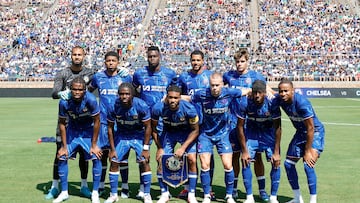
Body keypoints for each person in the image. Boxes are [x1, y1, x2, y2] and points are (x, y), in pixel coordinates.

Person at [185, 72, 249, 203]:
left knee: (227, 165)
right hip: (205, 135)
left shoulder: (229, 92)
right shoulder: (201, 94)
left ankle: (229, 195)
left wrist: (265, 90)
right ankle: (207, 195)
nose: (214, 88)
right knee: (205, 164)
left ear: (222, 85)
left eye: (217, 85)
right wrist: (172, 97)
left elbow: (247, 91)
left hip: (223, 134)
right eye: (212, 85)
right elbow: (189, 98)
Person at [47, 46, 95, 200]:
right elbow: (54, 93)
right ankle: (55, 186)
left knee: (84, 155)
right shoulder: (63, 73)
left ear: (84, 56)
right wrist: (61, 93)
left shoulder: (90, 73)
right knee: (59, 153)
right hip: (66, 120)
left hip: (85, 120)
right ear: (71, 56)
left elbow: (96, 86)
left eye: (79, 54)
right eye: (74, 54)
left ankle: (84, 186)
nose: (77, 57)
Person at [223, 48, 272, 200]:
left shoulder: (256, 76)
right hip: (232, 122)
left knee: (256, 157)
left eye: (242, 61)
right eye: (237, 61)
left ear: (247, 61)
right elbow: (221, 86)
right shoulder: (229, 76)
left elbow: (267, 91)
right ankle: (235, 188)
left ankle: (262, 190)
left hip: (251, 124)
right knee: (235, 156)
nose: (239, 64)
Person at [132, 45, 177, 199]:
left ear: (160, 57)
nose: (152, 59)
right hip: (143, 122)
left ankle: (165, 190)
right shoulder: (139, 74)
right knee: (142, 155)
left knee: (162, 155)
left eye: (154, 56)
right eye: (149, 56)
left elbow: (176, 93)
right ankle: (143, 188)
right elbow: (133, 90)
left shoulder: (170, 74)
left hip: (162, 122)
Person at [88, 51, 132, 198]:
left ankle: (124, 186)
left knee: (122, 156)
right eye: (108, 61)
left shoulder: (125, 77)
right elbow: (88, 91)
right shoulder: (98, 77)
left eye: (113, 60)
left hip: (120, 123)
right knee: (102, 154)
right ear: (105, 62)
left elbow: (135, 93)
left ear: (118, 62)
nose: (111, 63)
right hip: (103, 122)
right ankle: (101, 185)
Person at [52, 77, 102, 203]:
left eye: (80, 90)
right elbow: (62, 124)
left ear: (85, 90)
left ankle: (95, 192)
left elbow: (97, 121)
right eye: (74, 89)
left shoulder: (90, 99)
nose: (77, 92)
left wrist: (94, 144)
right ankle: (64, 192)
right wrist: (63, 146)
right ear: (70, 89)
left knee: (96, 156)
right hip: (73, 130)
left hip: (88, 131)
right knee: (62, 156)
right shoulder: (64, 102)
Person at [276, 78, 325, 203]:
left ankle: (313, 200)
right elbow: (269, 93)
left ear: (293, 91)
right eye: (281, 91)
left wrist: (307, 151)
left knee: (308, 165)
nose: (283, 94)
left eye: (286, 91)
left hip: (315, 132)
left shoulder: (302, 103)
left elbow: (311, 128)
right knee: (288, 164)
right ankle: (297, 198)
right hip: (300, 133)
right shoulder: (280, 99)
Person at [176, 50, 215, 200]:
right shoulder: (184, 77)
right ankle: (187, 188)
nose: (195, 63)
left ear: (203, 60)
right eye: (193, 60)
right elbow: (178, 95)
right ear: (190, 61)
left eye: (198, 60)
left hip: (206, 123)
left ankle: (208, 188)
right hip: (189, 123)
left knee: (207, 157)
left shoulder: (209, 76)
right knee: (189, 156)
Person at [104, 83, 153, 203]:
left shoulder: (141, 105)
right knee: (114, 161)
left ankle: (146, 194)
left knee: (144, 161)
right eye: (121, 94)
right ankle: (113, 194)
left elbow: (148, 126)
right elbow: (109, 128)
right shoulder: (113, 106)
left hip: (138, 135)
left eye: (127, 94)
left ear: (132, 94)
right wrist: (112, 149)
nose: (124, 96)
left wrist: (146, 148)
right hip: (122, 135)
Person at [151, 85, 200, 203]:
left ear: (180, 98)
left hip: (186, 133)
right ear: (166, 97)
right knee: (160, 159)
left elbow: (195, 130)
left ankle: (191, 194)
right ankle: (164, 193)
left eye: (176, 98)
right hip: (169, 133)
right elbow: (153, 129)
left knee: (192, 159)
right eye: (170, 97)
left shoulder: (189, 109)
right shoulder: (158, 108)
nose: (173, 100)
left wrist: (183, 148)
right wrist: (160, 147)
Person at [235, 80, 281, 203]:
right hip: (252, 133)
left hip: (269, 134)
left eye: (260, 93)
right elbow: (239, 126)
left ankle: (273, 197)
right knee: (245, 160)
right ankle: (249, 197)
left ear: (265, 93)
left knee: (275, 161)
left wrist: (276, 152)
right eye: (255, 93)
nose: (257, 96)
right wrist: (244, 151)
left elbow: (278, 127)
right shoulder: (245, 102)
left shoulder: (272, 103)